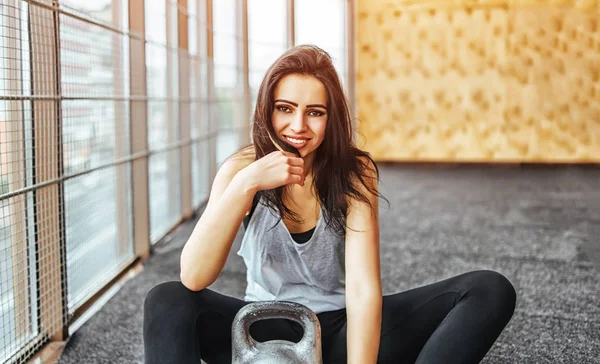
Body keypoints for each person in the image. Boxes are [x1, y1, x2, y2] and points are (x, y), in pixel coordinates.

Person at [143, 45, 516, 364]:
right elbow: (193, 275)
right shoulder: (241, 170)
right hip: (260, 332)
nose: (298, 126)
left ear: (330, 117)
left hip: (337, 333)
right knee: (166, 299)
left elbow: (362, 288)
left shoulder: (354, 172)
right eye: (285, 109)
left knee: (488, 289)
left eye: (315, 112)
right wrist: (247, 183)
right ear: (267, 110)